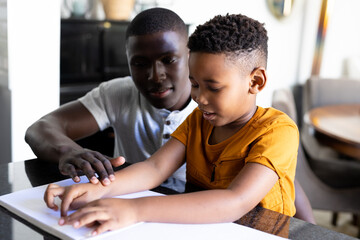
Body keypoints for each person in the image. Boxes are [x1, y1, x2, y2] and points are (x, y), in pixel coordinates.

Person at [44, 13, 300, 236]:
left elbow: (236, 201)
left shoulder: (278, 131)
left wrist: (134, 209)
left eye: (213, 87)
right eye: (195, 84)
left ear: (255, 81)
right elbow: (154, 168)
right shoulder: (198, 120)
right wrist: (94, 190)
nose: (199, 97)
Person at [25, 8, 197, 192]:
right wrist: (68, 151)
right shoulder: (119, 93)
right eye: (140, 64)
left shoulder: (213, 107)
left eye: (169, 59)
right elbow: (39, 129)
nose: (155, 76)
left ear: (190, 54)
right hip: (123, 207)